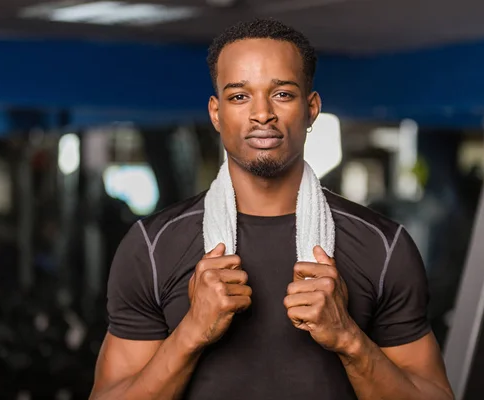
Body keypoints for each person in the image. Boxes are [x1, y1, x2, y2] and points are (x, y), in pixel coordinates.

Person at [90, 18, 454, 400]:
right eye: (239, 96)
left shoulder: (383, 246)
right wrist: (191, 332)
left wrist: (349, 338)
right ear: (216, 113)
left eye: (282, 94)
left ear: (311, 108)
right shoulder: (151, 247)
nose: (261, 114)